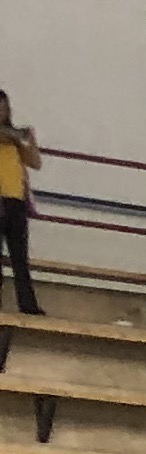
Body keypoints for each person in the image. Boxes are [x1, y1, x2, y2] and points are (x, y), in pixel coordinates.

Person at [0, 91, 41, 315]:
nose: (2, 112)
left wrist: (29, 141)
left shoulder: (15, 138)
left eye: (5, 108)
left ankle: (28, 305)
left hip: (15, 201)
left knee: (20, 258)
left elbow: (35, 163)